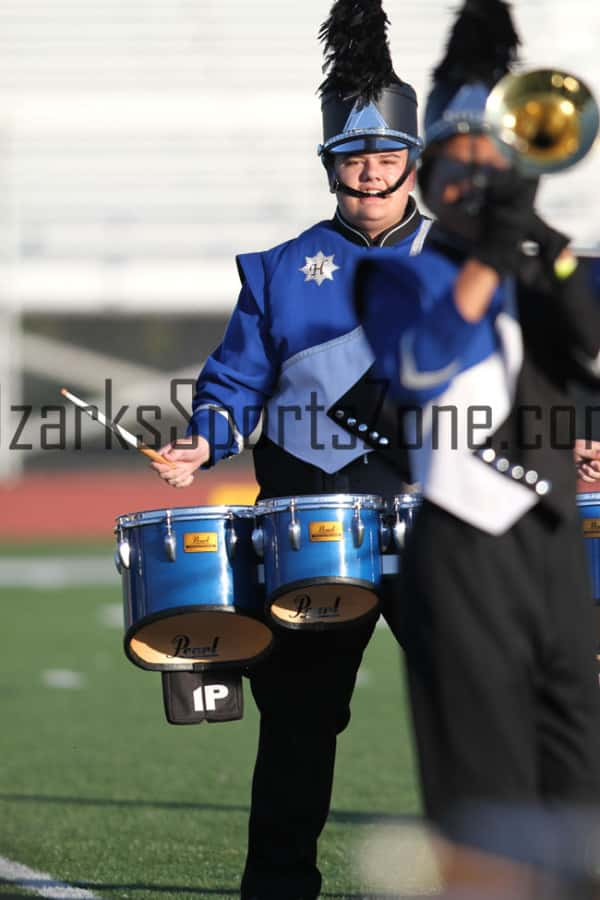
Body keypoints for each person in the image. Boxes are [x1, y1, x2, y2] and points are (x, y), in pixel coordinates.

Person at [152, 2, 430, 898]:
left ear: (414, 160)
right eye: (354, 158)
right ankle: (277, 888)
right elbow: (235, 386)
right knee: (302, 721)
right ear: (329, 166)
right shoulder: (280, 269)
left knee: (477, 715)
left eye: (387, 155)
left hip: (448, 523)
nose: (371, 172)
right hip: (316, 522)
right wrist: (203, 444)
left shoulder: (475, 259)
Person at [357, 0, 600, 896]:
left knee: (579, 780)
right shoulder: (398, 275)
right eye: (458, 166)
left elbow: (589, 354)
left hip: (554, 548)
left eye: (493, 162)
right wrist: (494, 250)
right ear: (425, 183)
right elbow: (428, 358)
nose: (480, 181)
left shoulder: (556, 265)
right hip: (464, 547)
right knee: (488, 798)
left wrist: (545, 250)